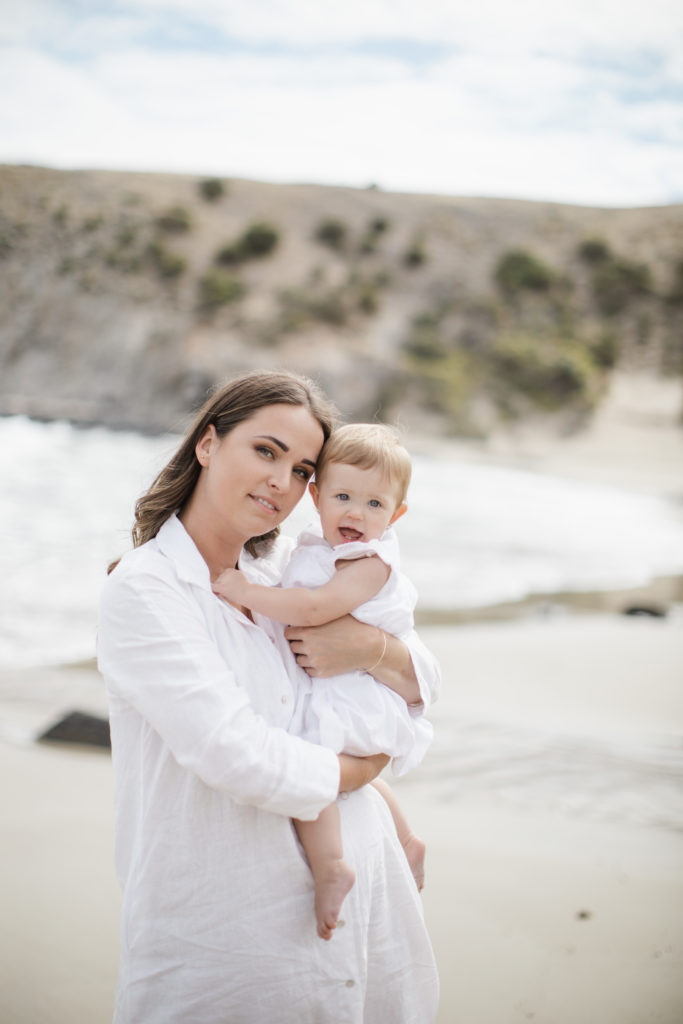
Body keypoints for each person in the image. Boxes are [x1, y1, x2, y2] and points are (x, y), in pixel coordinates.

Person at [97, 370, 440, 1024]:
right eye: (265, 451)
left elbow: (422, 680)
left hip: (368, 922)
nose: (281, 481)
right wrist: (364, 769)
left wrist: (371, 650)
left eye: (302, 467)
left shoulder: (278, 576)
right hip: (235, 944)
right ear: (207, 444)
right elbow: (237, 755)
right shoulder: (148, 591)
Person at [213, 423, 431, 941]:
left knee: (312, 755)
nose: (356, 514)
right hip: (340, 681)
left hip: (356, 689)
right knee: (339, 760)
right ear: (316, 497)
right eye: (342, 497)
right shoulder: (313, 548)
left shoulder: (369, 561)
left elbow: (313, 608)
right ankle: (406, 837)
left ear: (396, 515)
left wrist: (243, 590)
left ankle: (331, 864)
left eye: (375, 505)